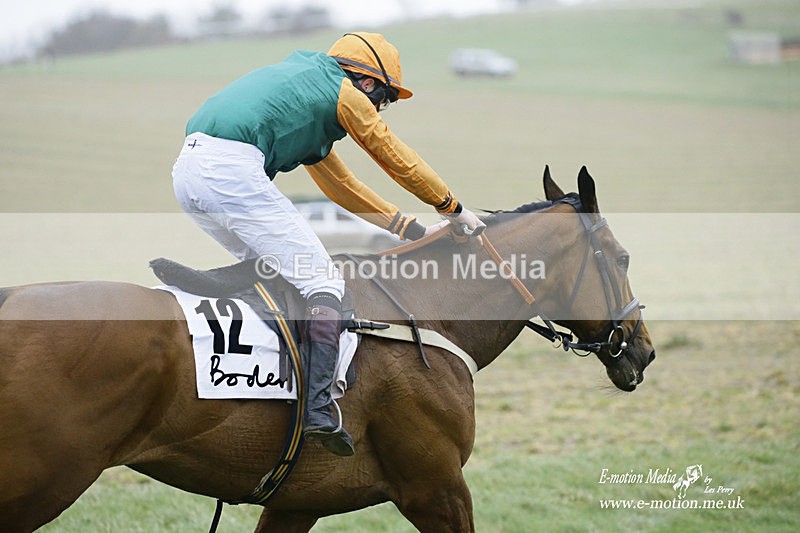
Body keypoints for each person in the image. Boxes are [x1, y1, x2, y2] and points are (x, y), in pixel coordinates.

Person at [171, 32, 485, 457]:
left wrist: (411, 230)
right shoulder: (343, 92)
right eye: (385, 99)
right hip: (231, 170)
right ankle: (317, 408)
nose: (379, 109)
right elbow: (391, 152)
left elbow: (343, 187)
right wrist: (451, 207)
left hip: (189, 171)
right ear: (368, 83)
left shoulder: (307, 96)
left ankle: (270, 379)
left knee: (277, 275)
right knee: (325, 284)